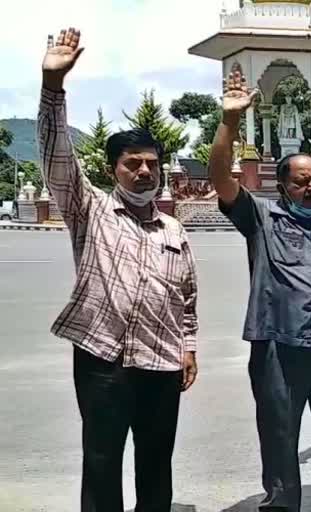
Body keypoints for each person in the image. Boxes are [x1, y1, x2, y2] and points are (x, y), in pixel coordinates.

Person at [39, 28, 199, 512]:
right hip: (102, 361)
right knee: (102, 461)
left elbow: (187, 296)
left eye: (152, 164)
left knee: (156, 464)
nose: (144, 172)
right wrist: (53, 89)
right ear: (115, 170)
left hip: (161, 362)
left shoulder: (175, 229)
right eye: (133, 164)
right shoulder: (89, 210)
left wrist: (188, 348)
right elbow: (57, 160)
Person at [210, 68, 311, 512]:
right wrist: (229, 121)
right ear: (283, 185)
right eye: (301, 180)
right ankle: (282, 502)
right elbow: (221, 178)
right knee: (279, 428)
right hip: (279, 344)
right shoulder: (261, 219)